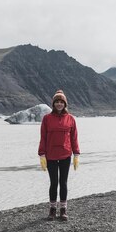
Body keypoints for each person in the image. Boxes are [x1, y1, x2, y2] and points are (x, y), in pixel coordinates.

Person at [38, 89, 80, 221]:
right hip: (50, 156)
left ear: (65, 104)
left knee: (63, 182)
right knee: (53, 182)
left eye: (61, 102)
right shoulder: (47, 119)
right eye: (57, 102)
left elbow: (74, 138)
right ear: (53, 104)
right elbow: (43, 137)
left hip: (65, 155)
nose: (59, 104)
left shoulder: (71, 119)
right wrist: (42, 154)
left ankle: (63, 210)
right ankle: (52, 209)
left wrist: (76, 154)